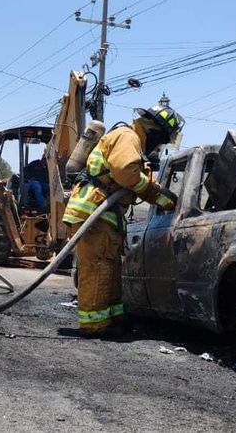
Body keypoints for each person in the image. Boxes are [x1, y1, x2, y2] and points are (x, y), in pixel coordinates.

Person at [63, 103, 184, 338]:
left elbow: (129, 176)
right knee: (98, 268)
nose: (159, 147)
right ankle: (94, 325)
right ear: (155, 131)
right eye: (161, 140)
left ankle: (113, 317)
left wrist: (156, 192)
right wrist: (156, 194)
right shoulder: (128, 137)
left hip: (104, 215)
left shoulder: (130, 140)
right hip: (94, 212)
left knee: (110, 267)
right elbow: (126, 173)